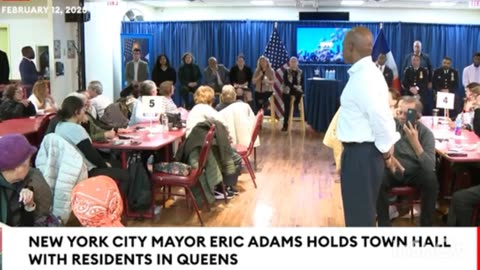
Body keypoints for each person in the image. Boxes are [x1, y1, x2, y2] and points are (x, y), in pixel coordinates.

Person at [336, 27, 401, 227]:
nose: (342, 49)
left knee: (359, 221)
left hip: (362, 156)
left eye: (343, 45)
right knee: (359, 216)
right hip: (359, 155)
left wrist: (386, 155)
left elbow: (381, 120)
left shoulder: (366, 77)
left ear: (350, 46)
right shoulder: (364, 74)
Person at [376, 97, 438, 226]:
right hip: (393, 169)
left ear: (418, 116)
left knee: (431, 180)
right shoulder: (391, 126)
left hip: (415, 172)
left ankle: (426, 226)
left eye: (407, 113)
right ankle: (384, 225)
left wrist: (415, 143)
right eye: (400, 112)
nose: (402, 117)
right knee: (377, 177)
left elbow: (430, 166)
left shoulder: (426, 134)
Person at [53, 96, 130, 189]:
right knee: (126, 175)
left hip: (68, 170)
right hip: (84, 171)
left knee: (117, 163)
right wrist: (105, 165)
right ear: (77, 112)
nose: (85, 112)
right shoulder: (76, 129)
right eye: (83, 109)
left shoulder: (59, 126)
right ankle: (119, 202)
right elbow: (91, 154)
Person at [0, 134, 38, 226]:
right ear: (18, 168)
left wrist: (29, 206)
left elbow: (26, 227)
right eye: (29, 162)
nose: (31, 166)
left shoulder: (23, 184)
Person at [281, 57, 303, 132]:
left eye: (295, 62)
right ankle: (285, 125)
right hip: (287, 90)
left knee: (299, 93)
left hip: (296, 90)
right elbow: (286, 82)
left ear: (297, 63)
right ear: (290, 63)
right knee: (287, 107)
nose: (293, 63)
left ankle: (295, 106)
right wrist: (294, 86)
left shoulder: (300, 72)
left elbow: (302, 82)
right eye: (292, 62)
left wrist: (298, 87)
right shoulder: (286, 71)